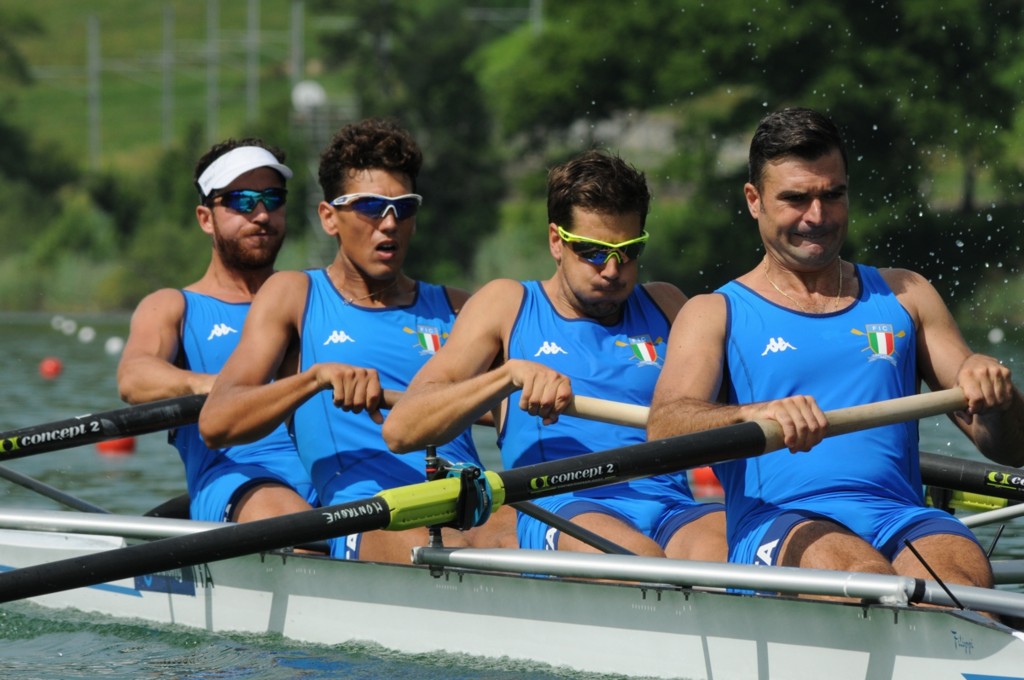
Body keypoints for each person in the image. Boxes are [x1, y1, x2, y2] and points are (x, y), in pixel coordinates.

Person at [646, 106, 1024, 589]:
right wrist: (753, 415)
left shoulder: (906, 294)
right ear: (754, 200)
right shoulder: (714, 312)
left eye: (833, 195)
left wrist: (998, 394)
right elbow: (664, 430)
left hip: (900, 517)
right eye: (796, 199)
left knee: (960, 575)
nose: (817, 217)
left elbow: (1012, 447)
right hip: (780, 525)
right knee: (862, 574)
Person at [198, 118, 516, 562]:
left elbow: (516, 418)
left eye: (402, 208)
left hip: (471, 500)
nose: (389, 224)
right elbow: (217, 424)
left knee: (547, 535)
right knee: (446, 551)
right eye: (370, 207)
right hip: (368, 511)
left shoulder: (460, 309)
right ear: (329, 217)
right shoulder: (294, 295)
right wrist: (314, 380)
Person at [384, 150, 727, 560]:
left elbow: (728, 416)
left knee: (728, 551)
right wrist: (508, 377)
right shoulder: (508, 304)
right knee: (640, 560)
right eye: (593, 251)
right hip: (563, 506)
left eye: (628, 251)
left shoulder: (666, 304)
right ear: (555, 241)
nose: (613, 269)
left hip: (673, 506)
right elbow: (401, 429)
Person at [117, 138, 318, 524]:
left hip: (334, 474)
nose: (261, 215)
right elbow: (134, 377)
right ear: (205, 218)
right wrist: (223, 388)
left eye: (273, 199)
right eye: (243, 201)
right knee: (298, 527)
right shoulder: (173, 305)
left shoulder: (313, 295)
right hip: (239, 481)